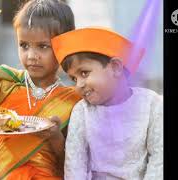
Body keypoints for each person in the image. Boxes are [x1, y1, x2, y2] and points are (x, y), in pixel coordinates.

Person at [0, 0, 81, 179]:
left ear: (64, 48)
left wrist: (55, 137)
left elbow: (72, 159)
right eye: (24, 45)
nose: (31, 56)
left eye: (43, 46)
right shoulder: (8, 81)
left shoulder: (72, 101)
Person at [51, 27, 163, 180]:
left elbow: (159, 159)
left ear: (116, 67)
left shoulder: (152, 104)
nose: (79, 85)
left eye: (84, 73)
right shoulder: (82, 111)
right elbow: (75, 166)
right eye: (74, 79)